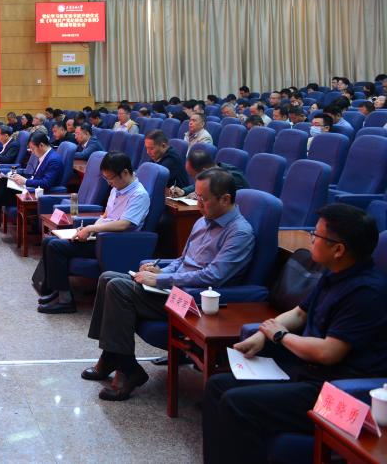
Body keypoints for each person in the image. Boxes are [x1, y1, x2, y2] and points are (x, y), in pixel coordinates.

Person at [202, 204, 387, 463]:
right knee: (217, 386)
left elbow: (329, 352)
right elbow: (299, 314)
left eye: (316, 235)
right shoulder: (334, 274)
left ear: (338, 250)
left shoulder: (366, 293)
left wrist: (280, 336)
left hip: (335, 390)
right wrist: (263, 334)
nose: (311, 239)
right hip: (306, 371)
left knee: (237, 403)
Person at [84, 168, 256, 401]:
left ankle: (126, 368)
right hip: (173, 288)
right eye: (196, 197)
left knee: (117, 288)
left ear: (225, 199)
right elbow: (182, 261)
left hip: (193, 300)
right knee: (107, 278)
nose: (198, 204)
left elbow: (213, 277)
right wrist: (161, 270)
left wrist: (161, 279)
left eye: (203, 199)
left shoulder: (239, 233)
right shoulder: (203, 221)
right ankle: (112, 357)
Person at [37, 152, 151, 314]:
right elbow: (106, 215)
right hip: (99, 237)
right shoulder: (117, 188)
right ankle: (57, 291)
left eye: (111, 178)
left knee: (56, 247)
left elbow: (124, 224)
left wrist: (91, 229)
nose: (109, 183)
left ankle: (65, 301)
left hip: (113, 243)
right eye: (106, 179)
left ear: (125, 172)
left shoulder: (139, 195)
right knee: (48, 241)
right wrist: (86, 228)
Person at [0, 132, 62, 243]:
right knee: (1, 188)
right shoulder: (44, 155)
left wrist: (25, 181)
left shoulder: (53, 159)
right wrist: (18, 177)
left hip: (39, 194)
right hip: (32, 189)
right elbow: (34, 175)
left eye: (32, 148)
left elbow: (47, 183)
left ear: (41, 145)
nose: (31, 151)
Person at [168, 147, 248, 198]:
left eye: (194, 176)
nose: (194, 180)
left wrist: (202, 196)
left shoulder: (232, 178)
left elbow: (222, 201)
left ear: (204, 171)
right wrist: (183, 191)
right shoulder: (211, 175)